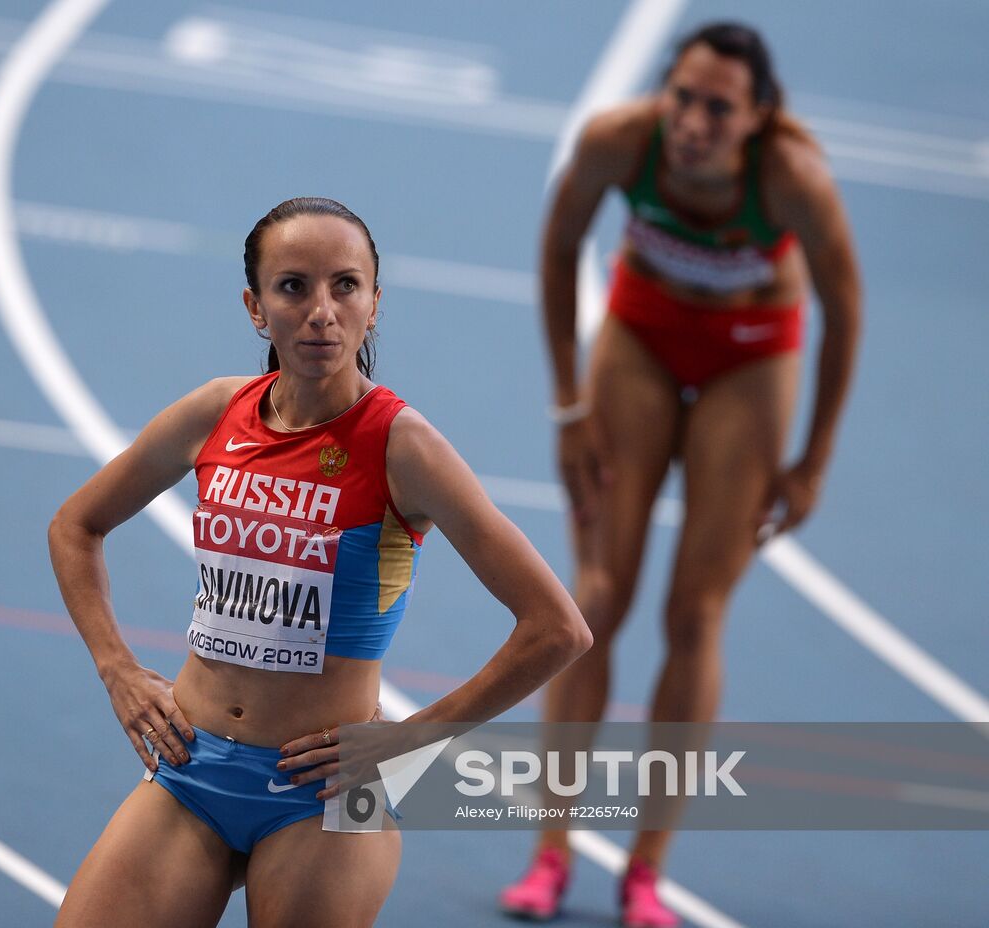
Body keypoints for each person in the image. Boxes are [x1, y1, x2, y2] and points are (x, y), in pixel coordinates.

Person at [49, 196, 592, 927]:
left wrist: (411, 740)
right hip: (190, 770)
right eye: (293, 286)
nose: (321, 312)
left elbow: (558, 628)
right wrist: (115, 668)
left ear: (374, 304)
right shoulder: (216, 413)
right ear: (255, 306)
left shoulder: (404, 447)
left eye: (345, 286)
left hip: (327, 795)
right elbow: (76, 525)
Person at [498, 22, 861, 927]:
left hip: (751, 356)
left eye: (718, 109)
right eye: (683, 99)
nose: (694, 122)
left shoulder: (792, 179)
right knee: (596, 599)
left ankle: (645, 871)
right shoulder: (620, 141)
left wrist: (813, 462)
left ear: (759, 116)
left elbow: (846, 308)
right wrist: (568, 406)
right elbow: (558, 246)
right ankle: (551, 850)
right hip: (642, 340)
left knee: (695, 616)